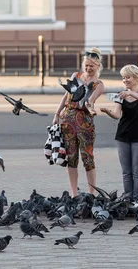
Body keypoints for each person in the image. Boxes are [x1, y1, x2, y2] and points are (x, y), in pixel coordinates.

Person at [53, 48, 105, 196]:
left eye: (92, 66)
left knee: (88, 158)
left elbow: (90, 101)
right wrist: (57, 113)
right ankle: (74, 194)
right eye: (86, 65)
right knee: (71, 158)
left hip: (85, 122)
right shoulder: (76, 76)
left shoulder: (99, 85)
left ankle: (91, 194)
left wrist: (91, 108)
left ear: (98, 66)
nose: (88, 68)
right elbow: (66, 96)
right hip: (68, 121)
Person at [100, 64, 138, 202]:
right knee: (126, 172)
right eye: (123, 78)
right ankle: (128, 197)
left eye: (128, 77)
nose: (125, 80)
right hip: (123, 136)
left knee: (137, 171)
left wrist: (130, 93)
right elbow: (117, 115)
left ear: (136, 78)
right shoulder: (121, 95)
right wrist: (107, 112)